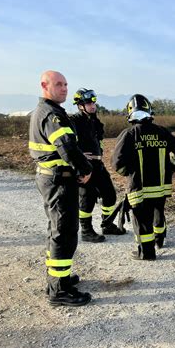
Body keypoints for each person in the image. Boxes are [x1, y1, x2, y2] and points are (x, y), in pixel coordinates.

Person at [29, 70, 93, 306]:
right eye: (58, 84)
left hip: (53, 179)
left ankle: (59, 280)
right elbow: (67, 146)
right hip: (58, 181)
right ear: (44, 85)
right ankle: (59, 291)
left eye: (66, 84)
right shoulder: (51, 113)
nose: (64, 88)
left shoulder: (46, 111)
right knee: (64, 233)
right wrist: (86, 169)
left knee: (57, 229)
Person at [111, 94, 175, 260]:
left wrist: (129, 173)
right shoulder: (162, 132)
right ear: (149, 112)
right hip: (161, 187)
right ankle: (160, 240)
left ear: (130, 114)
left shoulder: (129, 134)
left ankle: (146, 252)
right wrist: (171, 169)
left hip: (139, 188)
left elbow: (117, 163)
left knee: (142, 219)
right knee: (158, 211)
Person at [71, 88, 123, 243]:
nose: (92, 106)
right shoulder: (73, 121)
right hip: (83, 166)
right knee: (87, 198)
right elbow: (67, 144)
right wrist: (79, 157)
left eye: (93, 102)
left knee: (110, 195)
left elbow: (99, 141)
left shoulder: (95, 122)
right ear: (80, 105)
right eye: (88, 103)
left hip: (98, 164)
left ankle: (107, 224)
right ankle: (86, 231)